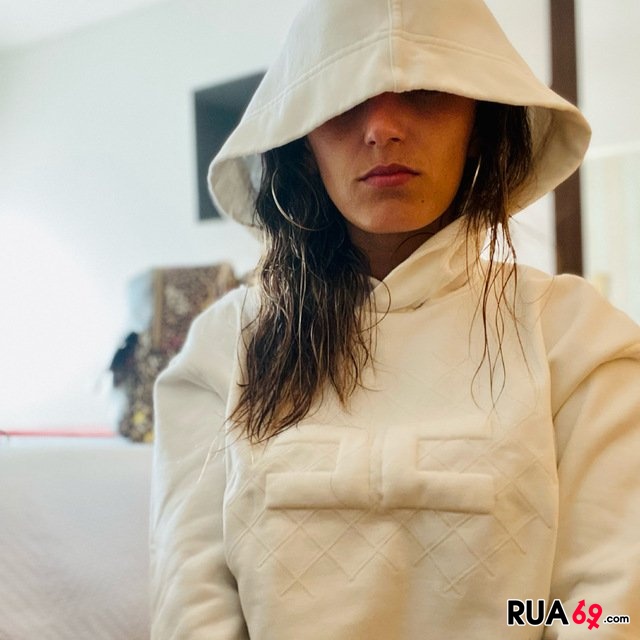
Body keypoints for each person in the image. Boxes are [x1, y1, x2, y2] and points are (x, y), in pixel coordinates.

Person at [149, 0, 640, 638]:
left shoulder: (576, 339)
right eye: (343, 97)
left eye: (425, 91)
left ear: (479, 121)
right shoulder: (222, 348)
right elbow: (193, 604)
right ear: (301, 141)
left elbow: (606, 607)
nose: (382, 127)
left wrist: (514, 616)